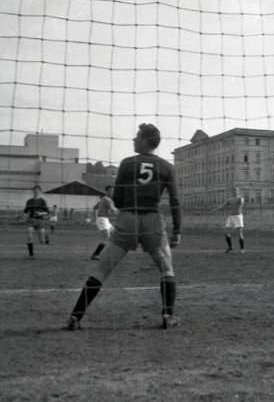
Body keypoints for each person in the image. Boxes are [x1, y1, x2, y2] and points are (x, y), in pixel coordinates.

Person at [65, 123, 182, 331]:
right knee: (166, 269)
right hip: (152, 220)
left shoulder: (127, 163)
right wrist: (178, 230)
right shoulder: (167, 167)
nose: (134, 139)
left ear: (146, 140)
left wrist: (128, 202)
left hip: (128, 219)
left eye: (137, 136)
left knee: (102, 269)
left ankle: (76, 316)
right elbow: (175, 201)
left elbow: (117, 199)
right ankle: (167, 315)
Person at [211, 187, 245, 253]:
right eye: (233, 190)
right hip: (230, 217)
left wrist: (239, 200)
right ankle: (230, 247)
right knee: (226, 232)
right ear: (232, 192)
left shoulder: (240, 199)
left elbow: (241, 204)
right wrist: (214, 210)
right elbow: (222, 206)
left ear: (238, 191)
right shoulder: (229, 199)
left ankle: (242, 249)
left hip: (238, 217)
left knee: (239, 234)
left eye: (236, 190)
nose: (234, 191)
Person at [89, 185, 119, 260]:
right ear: (106, 191)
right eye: (110, 190)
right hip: (103, 220)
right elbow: (113, 210)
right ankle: (95, 255)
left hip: (105, 220)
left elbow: (95, 207)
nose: (112, 192)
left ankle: (111, 254)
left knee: (115, 235)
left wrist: (95, 216)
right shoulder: (107, 200)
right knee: (106, 238)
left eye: (113, 191)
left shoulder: (103, 199)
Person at [23, 184, 50, 258]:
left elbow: (47, 212)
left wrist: (41, 213)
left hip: (40, 221)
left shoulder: (42, 201)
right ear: (33, 191)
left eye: (37, 191)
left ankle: (46, 237)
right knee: (29, 235)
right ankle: (31, 255)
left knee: (42, 241)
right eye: (34, 191)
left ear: (40, 192)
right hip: (31, 220)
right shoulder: (29, 201)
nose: (36, 192)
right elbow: (25, 211)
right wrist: (24, 217)